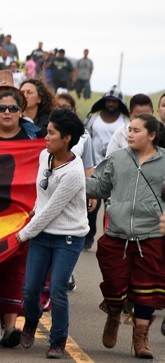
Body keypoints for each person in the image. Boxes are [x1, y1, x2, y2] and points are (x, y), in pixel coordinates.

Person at [86, 114, 165, 359]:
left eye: (136, 130)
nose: (130, 134)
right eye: (129, 129)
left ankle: (141, 338)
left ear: (151, 135)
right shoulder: (117, 158)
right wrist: (71, 179)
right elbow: (99, 187)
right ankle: (113, 313)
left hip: (151, 235)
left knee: (146, 289)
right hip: (117, 234)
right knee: (113, 283)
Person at [0, 89, 45, 348]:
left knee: (15, 269)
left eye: (12, 108)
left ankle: (11, 327)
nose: (6, 113)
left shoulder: (37, 137)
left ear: (21, 111)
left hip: (22, 215)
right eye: (1, 108)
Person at [16, 109, 88, 359]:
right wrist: (34, 212)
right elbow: (43, 196)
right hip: (42, 234)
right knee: (30, 288)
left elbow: (53, 210)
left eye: (51, 133)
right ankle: (31, 321)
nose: (45, 138)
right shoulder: (43, 156)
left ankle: (58, 340)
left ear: (67, 138)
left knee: (57, 289)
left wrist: (23, 234)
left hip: (68, 236)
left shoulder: (74, 173)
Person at [83, 86, 130, 250]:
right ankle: (88, 237)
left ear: (120, 104)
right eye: (109, 100)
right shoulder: (93, 119)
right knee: (91, 205)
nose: (111, 103)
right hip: (94, 167)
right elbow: (83, 138)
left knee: (113, 207)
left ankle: (109, 239)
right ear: (103, 102)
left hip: (117, 170)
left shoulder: (126, 123)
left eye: (115, 101)